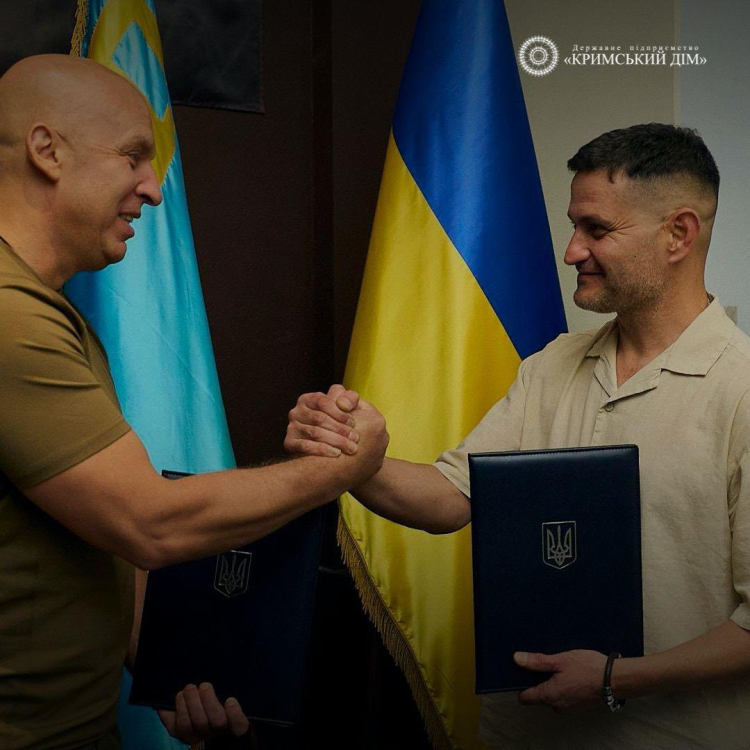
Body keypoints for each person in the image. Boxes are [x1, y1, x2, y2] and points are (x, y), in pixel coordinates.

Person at [286, 123, 750, 749]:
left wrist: (613, 679)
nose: (572, 251)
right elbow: (451, 499)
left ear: (679, 234)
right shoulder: (551, 366)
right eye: (574, 225)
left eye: (597, 229)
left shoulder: (741, 390)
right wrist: (357, 456)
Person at [0, 55, 388, 750]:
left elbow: (95, 527)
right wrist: (340, 467)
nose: (154, 189)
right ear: (46, 150)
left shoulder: (46, 310)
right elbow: (145, 522)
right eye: (132, 157)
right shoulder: (10, 316)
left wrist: (163, 665)